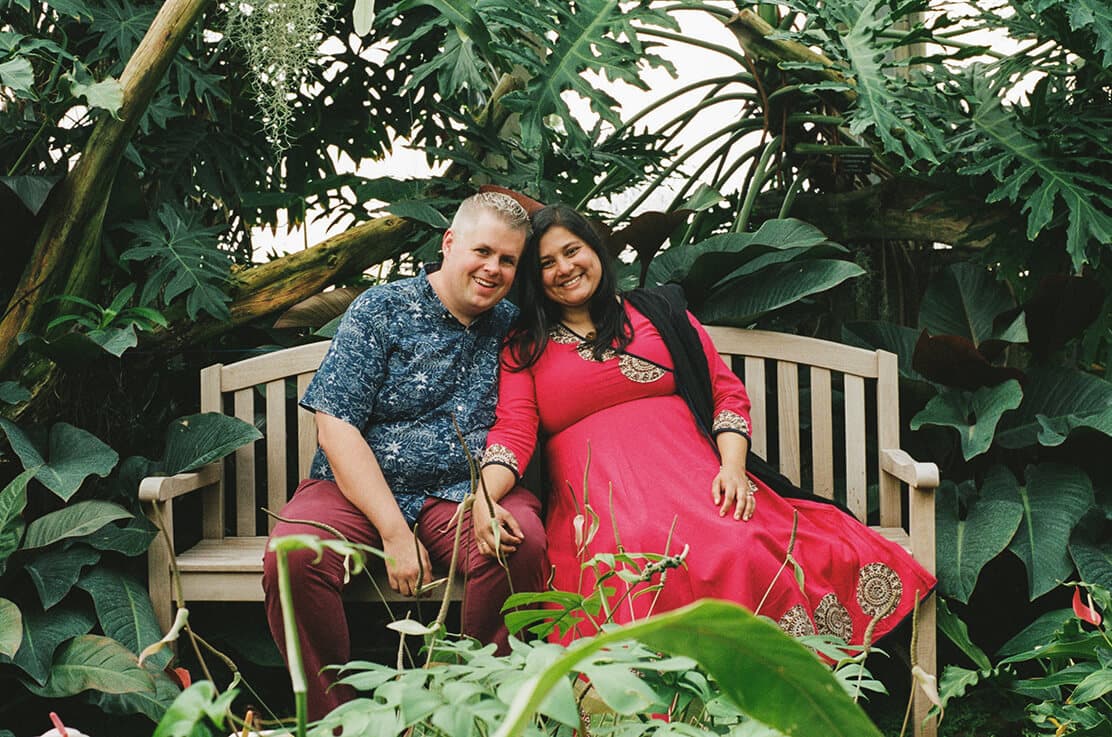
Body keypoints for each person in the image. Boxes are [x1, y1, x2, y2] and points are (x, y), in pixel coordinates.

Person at [477, 204, 935, 645]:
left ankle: (763, 693)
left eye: (572, 250)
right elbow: (514, 432)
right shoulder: (525, 347)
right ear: (535, 279)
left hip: (698, 484)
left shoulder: (659, 312)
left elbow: (726, 394)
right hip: (605, 504)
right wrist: (485, 494)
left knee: (739, 545)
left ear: (595, 251)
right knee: (635, 556)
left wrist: (733, 469)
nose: (564, 268)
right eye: (546, 263)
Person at [262, 192, 548, 719]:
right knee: (294, 556)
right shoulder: (383, 308)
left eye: (508, 260)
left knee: (518, 543)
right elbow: (336, 424)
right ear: (449, 243)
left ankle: (473, 712)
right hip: (358, 487)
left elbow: (519, 420)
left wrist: (486, 496)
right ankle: (337, 721)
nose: (493, 269)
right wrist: (394, 533)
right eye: (482, 251)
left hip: (463, 492)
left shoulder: (513, 327)